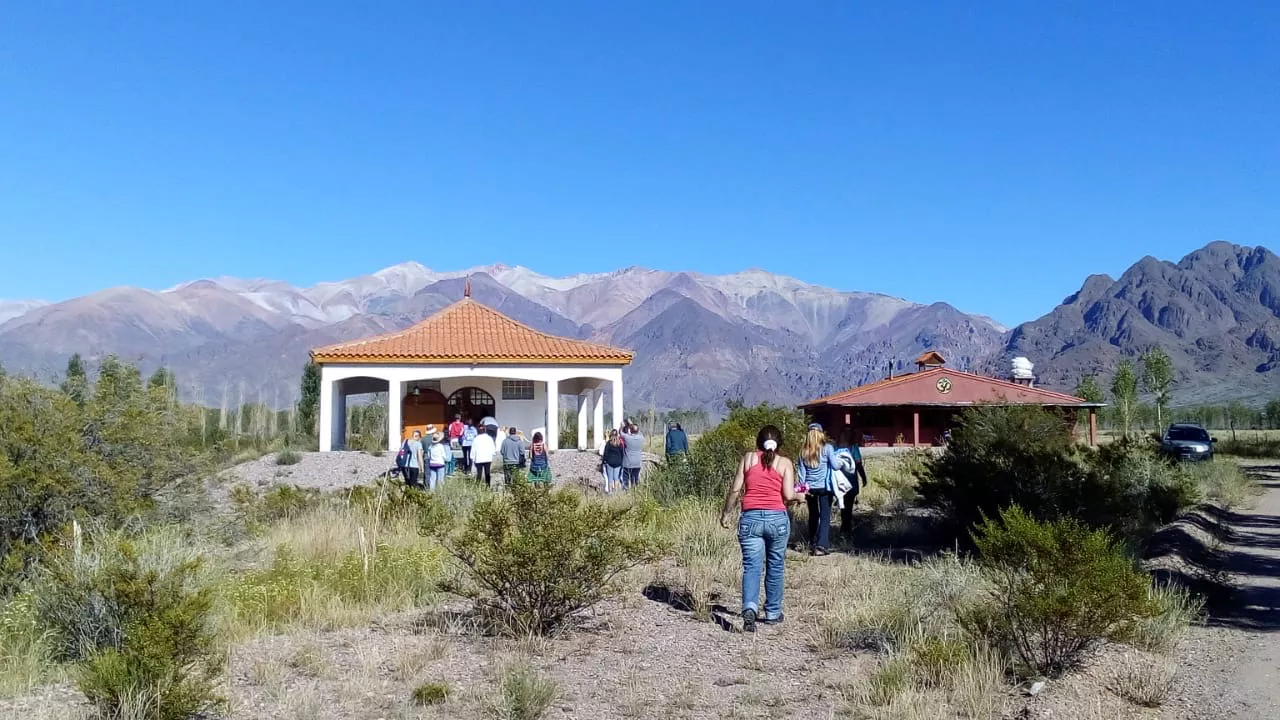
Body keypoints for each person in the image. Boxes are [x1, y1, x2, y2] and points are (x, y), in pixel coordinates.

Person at [720, 425, 800, 632]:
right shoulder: (784, 463)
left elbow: (736, 488)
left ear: (758, 442)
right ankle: (773, 612)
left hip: (750, 518)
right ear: (779, 444)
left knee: (752, 567)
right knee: (775, 565)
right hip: (777, 520)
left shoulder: (748, 459)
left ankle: (749, 607)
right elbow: (789, 495)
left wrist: (726, 513)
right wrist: (801, 497)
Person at [795, 422, 841, 556]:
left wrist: (800, 491)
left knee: (813, 516)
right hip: (824, 488)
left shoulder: (803, 451)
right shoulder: (828, 448)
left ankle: (812, 542)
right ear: (820, 433)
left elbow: (801, 474)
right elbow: (835, 466)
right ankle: (821, 545)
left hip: (810, 489)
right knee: (825, 516)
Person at [834, 426, 869, 534]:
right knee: (849, 507)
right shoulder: (853, 448)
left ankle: (844, 527)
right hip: (851, 481)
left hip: (838, 482)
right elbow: (858, 464)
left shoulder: (834, 447)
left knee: (842, 505)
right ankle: (846, 528)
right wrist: (864, 477)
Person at [471, 423, 497, 487]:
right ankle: (488, 485)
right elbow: (493, 448)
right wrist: (492, 454)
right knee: (487, 473)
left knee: (479, 473)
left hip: (479, 458)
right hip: (488, 458)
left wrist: (472, 457)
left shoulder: (476, 439)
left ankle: (477, 486)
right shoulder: (489, 438)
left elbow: (473, 449)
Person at [620, 422, 645, 489]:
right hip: (637, 463)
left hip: (628, 463)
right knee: (635, 478)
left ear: (630, 430)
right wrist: (632, 424)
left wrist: (622, 426)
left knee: (626, 479)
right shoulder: (641, 437)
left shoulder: (627, 437)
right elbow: (640, 432)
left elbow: (621, 433)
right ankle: (635, 491)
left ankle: (626, 491)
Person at [600, 428, 625, 493]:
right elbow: (622, 453)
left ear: (610, 435)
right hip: (618, 463)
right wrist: (622, 462)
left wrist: (603, 462)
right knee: (616, 478)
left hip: (610, 463)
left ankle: (610, 492)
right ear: (617, 435)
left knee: (610, 478)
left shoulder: (609, 443)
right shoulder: (620, 443)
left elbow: (605, 453)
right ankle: (616, 492)